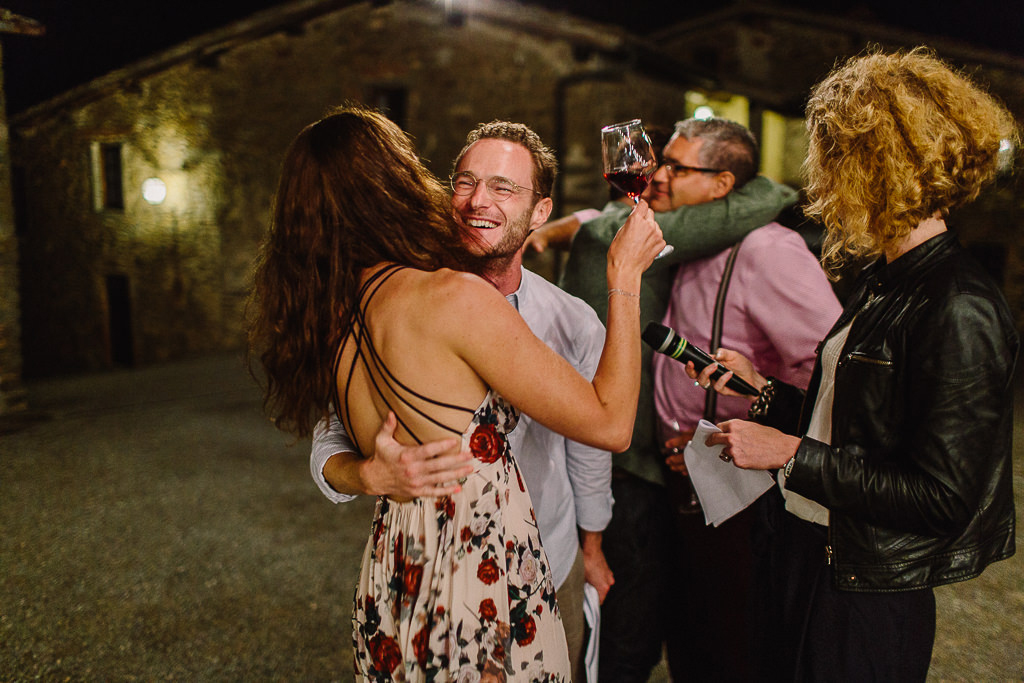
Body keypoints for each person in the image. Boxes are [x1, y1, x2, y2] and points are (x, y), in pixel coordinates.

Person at [247, 105, 666, 682]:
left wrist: (591, 542)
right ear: (395, 183)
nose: (473, 199)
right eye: (460, 181)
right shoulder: (453, 299)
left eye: (501, 186)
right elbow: (611, 425)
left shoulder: (337, 310)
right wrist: (623, 278)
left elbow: (588, 458)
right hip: (484, 584)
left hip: (400, 571)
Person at [692, 48, 1018, 682]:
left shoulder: (960, 305)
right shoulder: (887, 280)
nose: (822, 182)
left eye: (834, 157)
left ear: (880, 162)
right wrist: (766, 394)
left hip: (863, 594)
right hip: (808, 552)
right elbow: (859, 430)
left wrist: (787, 453)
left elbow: (942, 497)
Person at [550, 126, 799, 681]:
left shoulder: (610, 226)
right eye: (656, 165)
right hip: (617, 469)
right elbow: (744, 207)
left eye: (673, 167)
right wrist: (773, 189)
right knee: (624, 631)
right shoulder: (616, 234)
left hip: (649, 466)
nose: (658, 176)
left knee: (658, 617)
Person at [649, 117, 842, 682]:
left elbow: (833, 375)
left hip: (742, 491)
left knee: (733, 645)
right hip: (682, 481)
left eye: (676, 167)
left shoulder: (768, 251)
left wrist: (719, 434)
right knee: (690, 640)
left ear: (722, 185)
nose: (658, 176)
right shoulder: (690, 242)